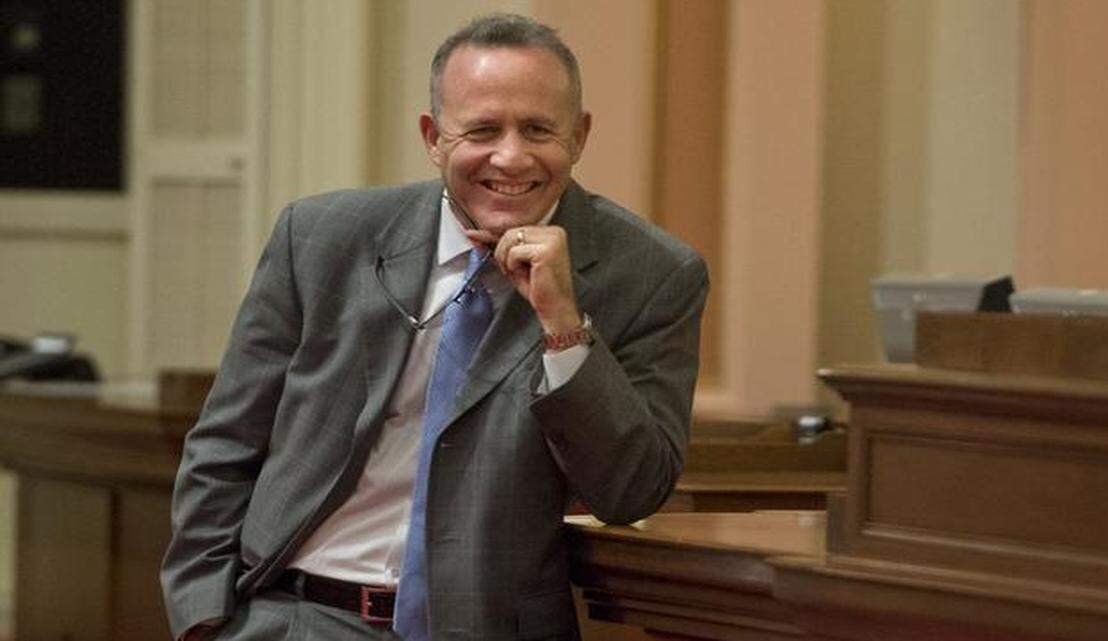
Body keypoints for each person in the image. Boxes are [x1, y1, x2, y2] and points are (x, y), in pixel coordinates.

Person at [161, 13, 708, 641]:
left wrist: (564, 325)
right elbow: (226, 443)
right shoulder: (320, 238)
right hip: (296, 616)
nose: (511, 156)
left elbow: (631, 491)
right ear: (433, 136)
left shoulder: (653, 274)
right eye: (482, 129)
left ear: (580, 136)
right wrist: (202, 617)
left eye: (538, 129)